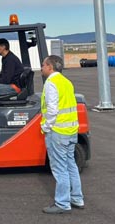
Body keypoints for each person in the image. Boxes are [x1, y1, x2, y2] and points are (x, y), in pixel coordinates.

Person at [40, 55, 84, 214]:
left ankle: (62, 203)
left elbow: (52, 109)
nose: (41, 68)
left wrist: (46, 126)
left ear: (50, 67)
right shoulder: (66, 82)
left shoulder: (51, 83)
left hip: (57, 132)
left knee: (60, 169)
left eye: (43, 65)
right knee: (71, 165)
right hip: (71, 131)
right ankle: (77, 198)